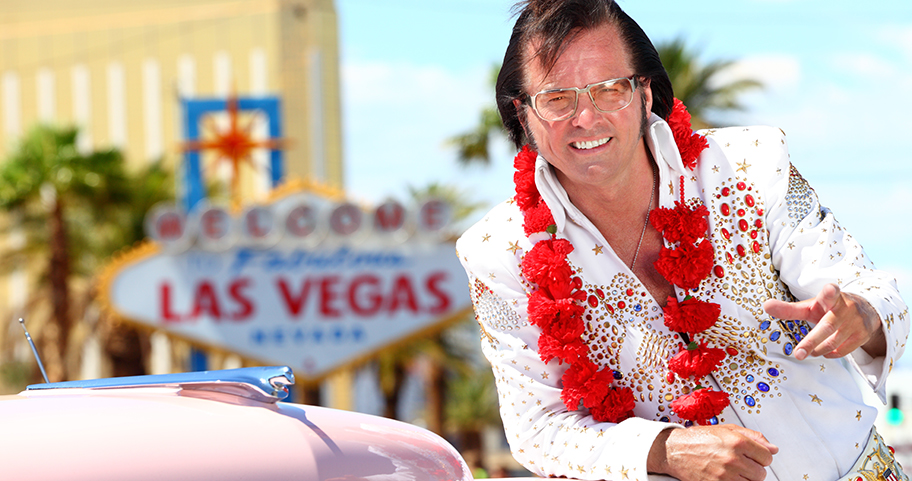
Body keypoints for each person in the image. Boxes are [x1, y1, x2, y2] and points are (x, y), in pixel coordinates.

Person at [455, 1, 909, 480]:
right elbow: (538, 430)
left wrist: (861, 313)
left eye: (610, 89)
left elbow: (870, 288)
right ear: (521, 113)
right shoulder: (498, 253)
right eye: (557, 99)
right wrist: (664, 450)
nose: (585, 118)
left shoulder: (752, 163)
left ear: (645, 93)